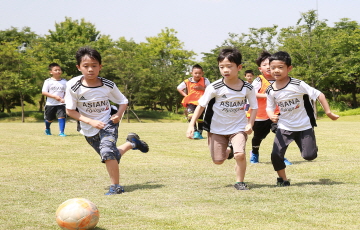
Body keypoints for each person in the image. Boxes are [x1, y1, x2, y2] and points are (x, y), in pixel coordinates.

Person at [65, 47, 149, 195]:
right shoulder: (73, 86)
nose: (90, 69)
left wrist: (118, 115)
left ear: (100, 67)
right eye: (86, 66)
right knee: (111, 156)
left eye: (94, 65)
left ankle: (115, 187)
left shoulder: (108, 85)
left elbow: (123, 101)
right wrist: (90, 122)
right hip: (88, 127)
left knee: (107, 152)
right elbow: (70, 111)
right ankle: (132, 143)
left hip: (108, 123)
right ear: (78, 67)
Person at [186, 48, 258, 190]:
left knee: (241, 154)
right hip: (216, 129)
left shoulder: (247, 87)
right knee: (218, 161)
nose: (225, 70)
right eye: (221, 67)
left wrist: (250, 124)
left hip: (238, 127)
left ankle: (240, 182)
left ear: (239, 67)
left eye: (229, 66)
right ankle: (229, 150)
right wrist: (191, 125)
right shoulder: (214, 87)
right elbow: (201, 105)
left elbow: (254, 107)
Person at [266, 51, 339, 186]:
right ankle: (283, 179)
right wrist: (271, 115)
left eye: (280, 67)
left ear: (289, 68)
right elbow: (269, 107)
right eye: (273, 67)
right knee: (276, 154)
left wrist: (328, 112)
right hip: (284, 127)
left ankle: (309, 146)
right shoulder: (270, 90)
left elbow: (319, 95)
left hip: (304, 126)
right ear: (269, 69)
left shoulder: (298, 84)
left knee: (309, 156)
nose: (276, 70)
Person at [248, 51, 292, 165]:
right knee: (258, 137)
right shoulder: (259, 80)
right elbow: (252, 93)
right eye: (264, 65)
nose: (268, 67)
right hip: (260, 115)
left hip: (276, 113)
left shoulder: (280, 79)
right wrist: (268, 96)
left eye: (270, 64)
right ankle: (254, 152)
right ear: (260, 69)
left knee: (280, 133)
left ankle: (280, 156)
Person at [177, 64, 210, 139]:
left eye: (199, 73)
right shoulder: (187, 81)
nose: (197, 75)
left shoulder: (205, 80)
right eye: (195, 73)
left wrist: (202, 88)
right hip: (191, 102)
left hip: (201, 102)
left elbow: (210, 90)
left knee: (200, 119)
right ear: (192, 73)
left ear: (202, 73)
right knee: (191, 116)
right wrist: (186, 96)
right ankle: (195, 131)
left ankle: (200, 133)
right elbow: (179, 88)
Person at [41, 63, 67, 137]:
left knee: (62, 116)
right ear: (51, 72)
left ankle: (61, 132)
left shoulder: (65, 82)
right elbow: (44, 92)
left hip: (61, 104)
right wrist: (54, 97)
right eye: (55, 70)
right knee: (49, 119)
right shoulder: (48, 81)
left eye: (59, 70)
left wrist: (64, 99)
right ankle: (47, 128)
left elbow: (67, 92)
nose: (58, 71)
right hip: (50, 104)